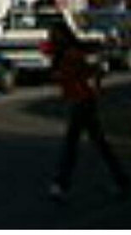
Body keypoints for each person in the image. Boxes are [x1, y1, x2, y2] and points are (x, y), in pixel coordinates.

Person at [47, 16, 129, 201]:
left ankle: (60, 184)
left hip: (81, 102)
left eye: (53, 35)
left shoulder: (71, 55)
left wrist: (95, 81)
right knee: (98, 144)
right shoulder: (67, 53)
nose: (51, 38)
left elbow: (89, 71)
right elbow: (92, 71)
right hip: (82, 100)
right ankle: (121, 179)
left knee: (72, 145)